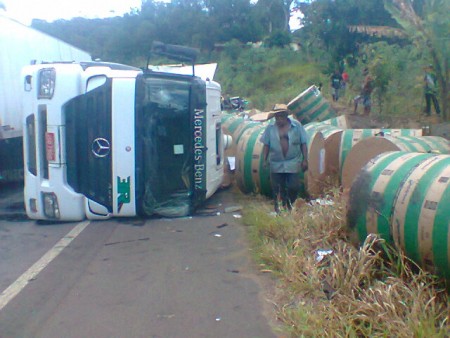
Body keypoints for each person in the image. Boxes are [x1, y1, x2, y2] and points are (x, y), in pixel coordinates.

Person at [260, 104, 308, 213]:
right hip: (276, 162)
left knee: (293, 186)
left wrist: (305, 159)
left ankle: (289, 204)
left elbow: (303, 143)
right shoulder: (270, 128)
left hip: (292, 161)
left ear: (286, 116)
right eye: (276, 117)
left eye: (281, 116)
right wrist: (264, 160)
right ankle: (278, 210)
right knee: (277, 188)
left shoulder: (297, 126)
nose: (278, 119)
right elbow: (266, 145)